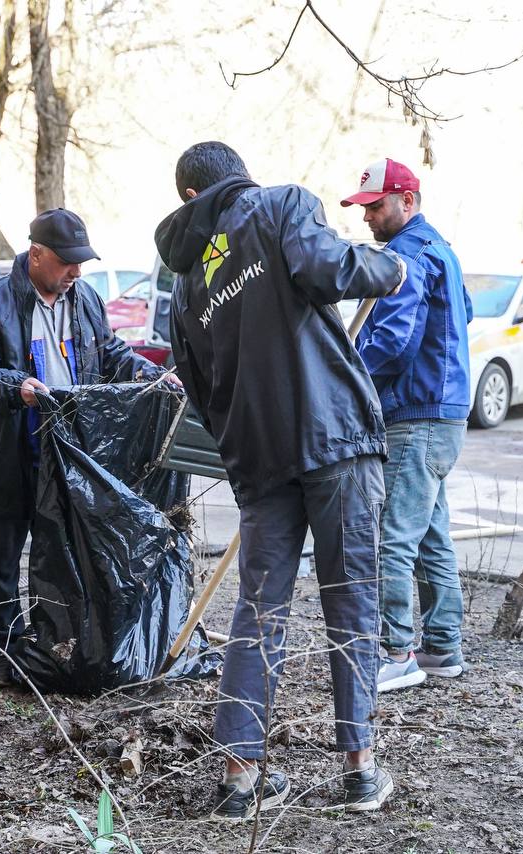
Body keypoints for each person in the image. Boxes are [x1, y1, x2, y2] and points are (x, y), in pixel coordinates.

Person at [154, 141, 408, 819]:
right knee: (351, 601)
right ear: (242, 176)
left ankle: (241, 779)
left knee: (258, 613)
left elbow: (202, 394)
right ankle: (359, 771)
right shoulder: (280, 206)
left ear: (190, 198)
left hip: (260, 465)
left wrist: (246, 443)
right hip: (336, 443)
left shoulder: (184, 286)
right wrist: (392, 268)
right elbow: (328, 266)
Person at [0, 208, 174, 689]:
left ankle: (56, 648)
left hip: (68, 458)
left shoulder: (85, 298)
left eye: (81, 263)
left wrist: (148, 372)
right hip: (6, 457)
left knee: (61, 557)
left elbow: (109, 352)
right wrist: (19, 388)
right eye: (67, 262)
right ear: (36, 255)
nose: (76, 272)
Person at [342, 158, 474, 691]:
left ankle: (396, 653)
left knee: (393, 536)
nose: (367, 218)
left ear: (407, 202)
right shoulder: (443, 250)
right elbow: (463, 311)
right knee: (430, 535)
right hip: (444, 415)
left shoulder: (406, 257)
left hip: (415, 413)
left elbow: (393, 340)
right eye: (364, 208)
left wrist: (348, 378)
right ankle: (442, 647)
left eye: (376, 206)